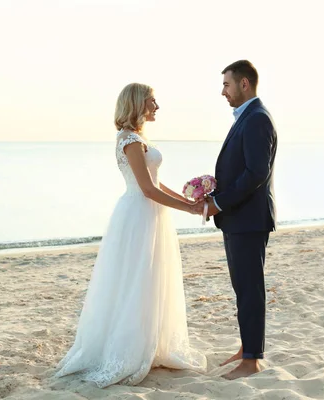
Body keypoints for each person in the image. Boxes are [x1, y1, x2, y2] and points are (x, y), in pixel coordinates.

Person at [55, 83, 206, 387]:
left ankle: (153, 342)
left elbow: (156, 183)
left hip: (150, 212)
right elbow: (147, 189)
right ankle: (129, 348)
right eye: (152, 101)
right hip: (139, 213)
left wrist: (188, 200)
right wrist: (188, 210)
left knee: (151, 278)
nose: (157, 106)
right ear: (137, 104)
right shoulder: (130, 140)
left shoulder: (138, 138)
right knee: (137, 279)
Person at [205, 60, 278, 379]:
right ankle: (247, 348)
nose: (223, 92)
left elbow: (256, 174)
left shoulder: (257, 119)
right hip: (238, 219)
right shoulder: (248, 117)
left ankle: (252, 359)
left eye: (226, 85)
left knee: (250, 289)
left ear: (244, 84)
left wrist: (219, 201)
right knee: (243, 288)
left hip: (248, 219)